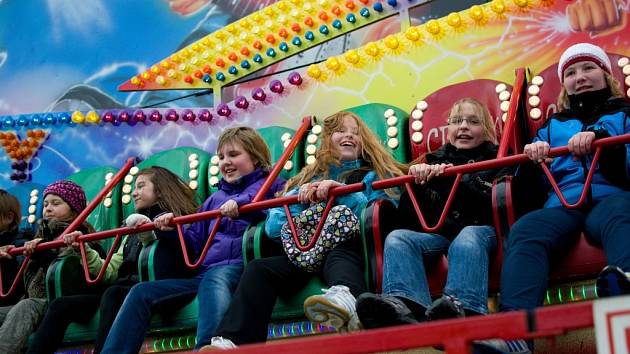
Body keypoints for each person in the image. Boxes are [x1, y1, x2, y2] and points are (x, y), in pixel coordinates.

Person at [205, 111, 405, 350]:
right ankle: (234, 340)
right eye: (341, 131)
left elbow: (384, 213)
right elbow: (273, 228)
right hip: (306, 253)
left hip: (352, 247)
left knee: (339, 250)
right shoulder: (307, 178)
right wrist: (298, 200)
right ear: (327, 139)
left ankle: (346, 296)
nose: (349, 136)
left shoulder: (375, 174)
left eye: (356, 133)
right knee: (259, 269)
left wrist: (341, 192)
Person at [486, 42, 630, 353]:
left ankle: (626, 285)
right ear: (564, 84)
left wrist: (605, 143)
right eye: (572, 72)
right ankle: (515, 334)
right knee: (527, 229)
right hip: (563, 205)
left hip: (611, 197)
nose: (580, 76)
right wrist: (532, 162)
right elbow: (526, 192)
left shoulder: (625, 114)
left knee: (621, 211)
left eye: (589, 68)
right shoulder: (552, 128)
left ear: (607, 75)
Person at [100, 127, 285, 354]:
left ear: (256, 158)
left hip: (243, 269)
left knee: (215, 278)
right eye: (221, 157)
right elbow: (194, 243)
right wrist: (170, 229)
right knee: (141, 291)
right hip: (204, 273)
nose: (226, 162)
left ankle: (208, 346)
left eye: (234, 155)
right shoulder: (214, 199)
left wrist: (243, 205)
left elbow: (272, 209)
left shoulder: (273, 184)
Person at [355, 98, 512, 329]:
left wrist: (454, 180)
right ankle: (406, 307)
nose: (464, 126)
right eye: (457, 121)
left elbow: (495, 205)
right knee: (398, 238)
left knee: (467, 237)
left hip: (483, 232)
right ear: (448, 129)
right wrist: (418, 183)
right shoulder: (432, 160)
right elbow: (409, 220)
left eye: (473, 121)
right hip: (441, 235)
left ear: (486, 129)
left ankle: (460, 306)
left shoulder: (499, 158)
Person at [27, 166, 198, 354]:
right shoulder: (128, 231)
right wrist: (83, 250)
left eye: (141, 186)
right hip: (122, 287)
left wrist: (158, 230)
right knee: (62, 305)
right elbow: (110, 271)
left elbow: (185, 256)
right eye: (134, 188)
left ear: (160, 189)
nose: (134, 193)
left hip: (153, 287)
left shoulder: (176, 220)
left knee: (114, 294)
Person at [0, 180, 103, 354]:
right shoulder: (39, 237)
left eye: (56, 203)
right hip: (34, 300)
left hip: (58, 300)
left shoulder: (82, 237)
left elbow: (66, 273)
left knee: (26, 307)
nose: (48, 208)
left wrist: (42, 252)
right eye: (46, 204)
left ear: (74, 209)